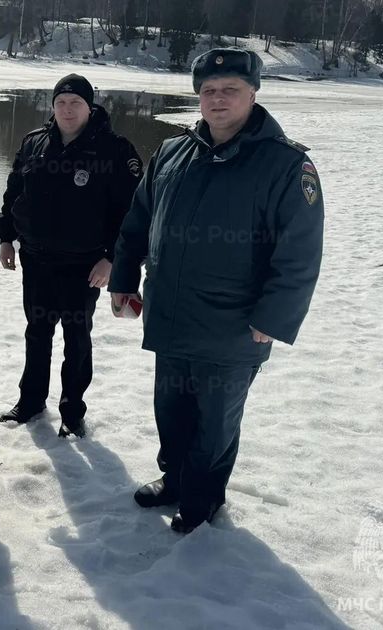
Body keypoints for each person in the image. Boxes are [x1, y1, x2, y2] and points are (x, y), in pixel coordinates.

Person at [110, 49, 324, 533]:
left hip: (234, 327)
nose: (218, 99)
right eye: (209, 90)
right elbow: (137, 222)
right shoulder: (171, 152)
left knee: (215, 423)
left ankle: (202, 500)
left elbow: (300, 254)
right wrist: (123, 279)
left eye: (230, 89)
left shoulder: (285, 166)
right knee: (170, 408)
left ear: (253, 93)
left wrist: (273, 319)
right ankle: (175, 480)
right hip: (170, 315)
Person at [0, 73, 144, 438]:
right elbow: (14, 191)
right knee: (37, 331)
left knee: (77, 336)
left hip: (85, 264)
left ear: (89, 107)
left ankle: (72, 412)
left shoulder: (114, 150)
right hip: (36, 258)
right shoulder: (35, 143)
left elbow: (132, 213)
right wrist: (5, 237)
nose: (67, 109)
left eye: (75, 102)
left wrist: (113, 259)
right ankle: (30, 401)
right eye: (60, 103)